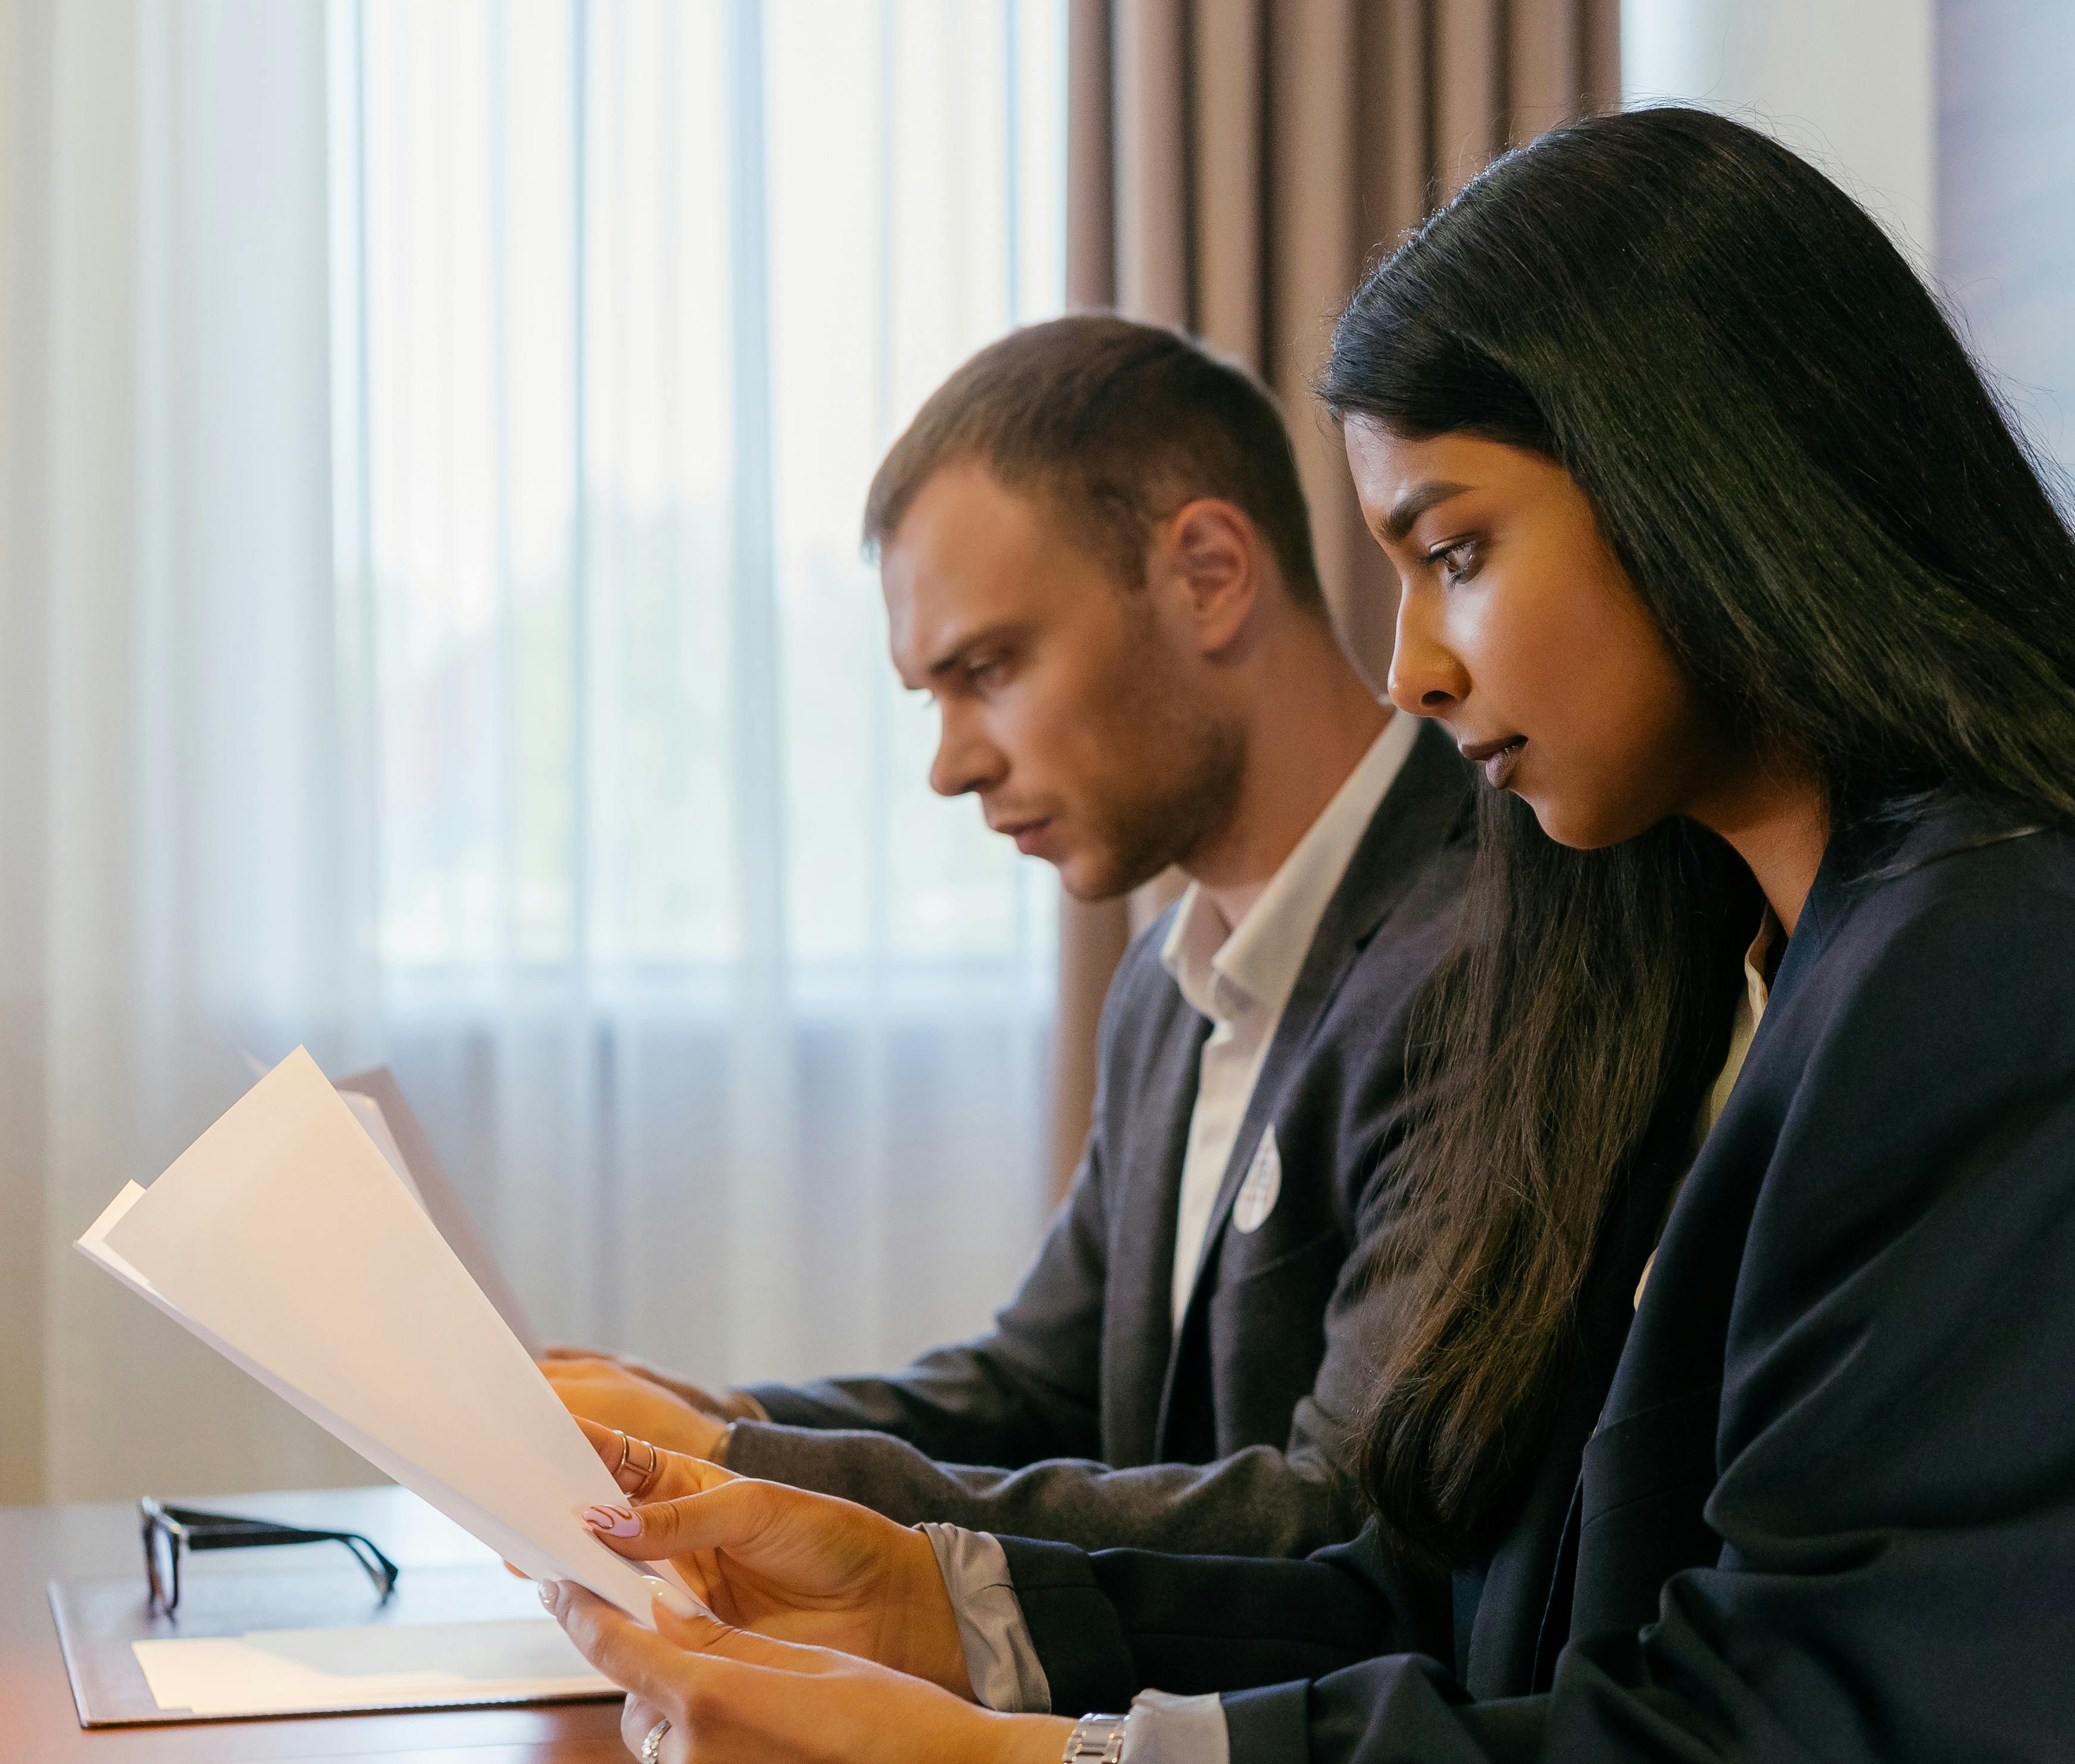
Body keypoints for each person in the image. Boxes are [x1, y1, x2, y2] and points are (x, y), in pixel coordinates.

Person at [542, 108, 2075, 1764]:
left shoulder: (2008, 977)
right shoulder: (1711, 956)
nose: (1408, 664)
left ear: (1711, 491)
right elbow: (1458, 1582)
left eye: (1459, 550)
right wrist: (935, 1602)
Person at [546, 315, 1474, 1559]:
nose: (951, 765)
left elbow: (1340, 1521)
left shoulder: (1476, 948)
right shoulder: (1167, 989)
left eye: (986, 668)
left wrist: (734, 1468)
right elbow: (1043, 1389)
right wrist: (708, 1427)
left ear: (1208, 574)